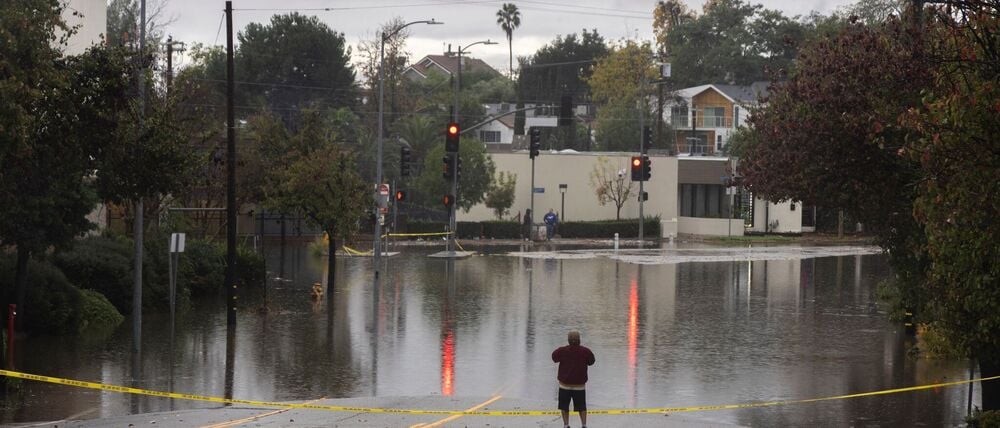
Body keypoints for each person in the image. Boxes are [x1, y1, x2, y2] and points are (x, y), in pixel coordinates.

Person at [552, 330, 595, 428]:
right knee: (582, 407)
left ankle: (566, 425)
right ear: (579, 340)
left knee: (564, 406)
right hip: (579, 386)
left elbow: (554, 357)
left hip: (564, 385)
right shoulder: (585, 351)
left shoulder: (562, 351)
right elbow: (592, 361)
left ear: (568, 340)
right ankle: (584, 425)